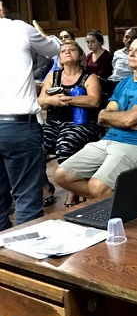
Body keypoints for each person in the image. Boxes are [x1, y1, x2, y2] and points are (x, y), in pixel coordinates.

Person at [55, 37, 137, 200]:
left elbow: (128, 119)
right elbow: (103, 116)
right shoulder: (124, 83)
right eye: (130, 50)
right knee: (62, 175)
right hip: (109, 140)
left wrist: (120, 119)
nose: (131, 54)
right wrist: (121, 119)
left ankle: (114, 204)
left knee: (97, 186)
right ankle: (117, 201)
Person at [0, 0, 61, 230]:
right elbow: (53, 48)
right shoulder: (19, 29)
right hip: (18, 128)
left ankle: (5, 261)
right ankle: (24, 259)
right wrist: (48, 36)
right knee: (27, 196)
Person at [39, 40, 104, 207]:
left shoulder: (89, 77)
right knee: (35, 148)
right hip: (54, 122)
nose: (67, 52)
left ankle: (72, 188)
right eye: (63, 50)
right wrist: (51, 100)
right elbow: (41, 101)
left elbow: (94, 101)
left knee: (64, 146)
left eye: (72, 49)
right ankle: (45, 186)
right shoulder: (53, 77)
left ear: (80, 56)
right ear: (59, 58)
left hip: (81, 123)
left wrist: (67, 99)